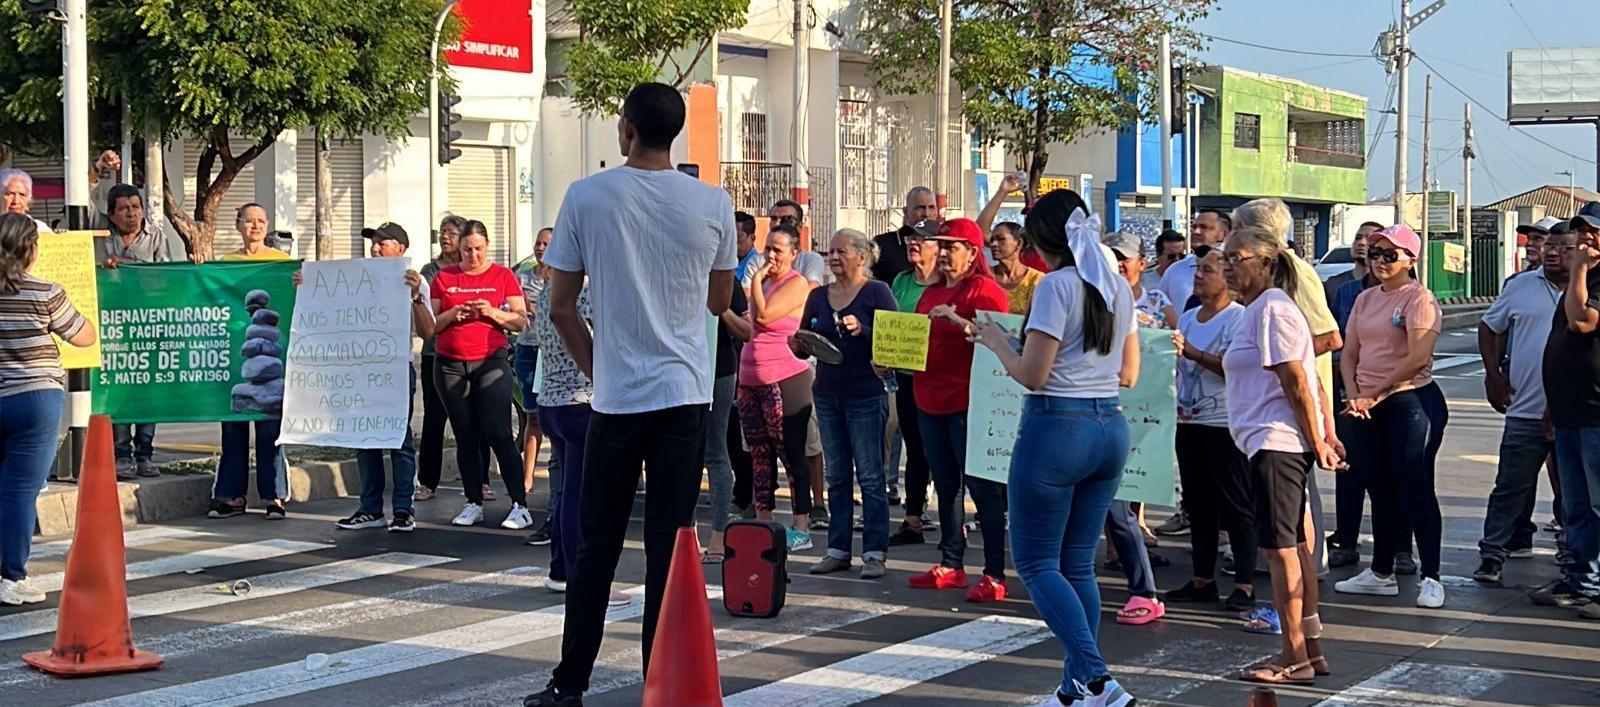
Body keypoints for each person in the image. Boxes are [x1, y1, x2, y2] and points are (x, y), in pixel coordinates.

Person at [525, 82, 737, 707]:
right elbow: (720, 302)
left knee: (597, 547)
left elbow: (560, 307)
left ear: (626, 131)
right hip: (685, 395)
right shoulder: (713, 202)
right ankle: (662, 684)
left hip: (617, 402)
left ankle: (570, 684)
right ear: (674, 135)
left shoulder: (587, 196)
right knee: (671, 552)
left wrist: (600, 368)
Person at [971, 189, 1140, 707]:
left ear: (1039, 241)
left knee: (1038, 562)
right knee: (1076, 565)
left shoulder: (1056, 287)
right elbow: (1129, 373)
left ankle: (1096, 678)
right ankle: (1074, 689)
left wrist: (995, 341)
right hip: (1109, 425)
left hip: (1056, 428)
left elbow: (1033, 374)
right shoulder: (1116, 286)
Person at [1221, 226, 1342, 686]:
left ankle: (1293, 657)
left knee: (1280, 554)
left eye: (1239, 257)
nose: (1230, 266)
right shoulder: (1262, 309)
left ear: (1267, 262)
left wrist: (1318, 441)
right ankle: (1309, 649)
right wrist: (1322, 435)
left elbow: (1295, 380)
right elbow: (1307, 377)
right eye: (1226, 257)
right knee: (1294, 550)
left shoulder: (1271, 307)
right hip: (1271, 443)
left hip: (1277, 444)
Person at [1334, 224, 1448, 609]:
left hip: (1409, 401)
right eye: (1375, 253)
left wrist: (1375, 393)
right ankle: (1380, 572)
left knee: (1415, 487)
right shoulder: (1365, 299)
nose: (1381, 261)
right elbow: (1350, 351)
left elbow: (1418, 357)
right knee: (1377, 486)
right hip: (1365, 405)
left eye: (1390, 255)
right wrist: (1354, 394)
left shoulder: (1420, 300)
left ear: (1411, 260)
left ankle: (1432, 576)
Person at [1233, 199, 1343, 585]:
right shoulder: (1260, 298)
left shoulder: (1291, 279)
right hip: (1274, 413)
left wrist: (1280, 355)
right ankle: (1302, 615)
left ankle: (1303, 601)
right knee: (1286, 527)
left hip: (1288, 416)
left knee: (1294, 525)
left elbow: (1329, 337)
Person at [908, 217, 1012, 603]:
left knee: (982, 488)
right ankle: (951, 563)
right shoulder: (931, 291)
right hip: (928, 398)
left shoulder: (984, 289)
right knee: (945, 485)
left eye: (952, 246)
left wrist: (956, 318)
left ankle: (995, 573)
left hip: (969, 401)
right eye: (942, 245)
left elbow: (996, 338)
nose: (944, 253)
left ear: (972, 252)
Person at [0, 214, 96, 605]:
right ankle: (11, 576)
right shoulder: (45, 292)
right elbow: (84, 335)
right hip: (36, 399)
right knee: (19, 492)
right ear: (32, 251)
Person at [1162, 247, 1259, 612]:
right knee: (1198, 504)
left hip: (1225, 423)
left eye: (1207, 270)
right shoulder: (1188, 316)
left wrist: (1193, 354)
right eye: (1197, 270)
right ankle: (1203, 578)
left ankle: (1245, 583)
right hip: (1190, 421)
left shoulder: (1239, 318)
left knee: (1236, 504)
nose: (1198, 275)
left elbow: (1234, 367)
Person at [1475, 224, 1573, 583]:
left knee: (1574, 493)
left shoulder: (1588, 291)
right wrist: (1493, 375)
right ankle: (1492, 555)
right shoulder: (1520, 286)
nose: (1551, 252)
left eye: (1562, 247)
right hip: (1524, 409)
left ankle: (1573, 557)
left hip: (1574, 415)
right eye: (1548, 245)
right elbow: (1490, 327)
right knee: (1510, 487)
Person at [802, 228, 897, 579]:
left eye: (841, 251)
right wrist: (799, 345)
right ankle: (837, 548)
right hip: (827, 392)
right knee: (838, 475)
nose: (834, 258)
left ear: (862, 256)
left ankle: (874, 552)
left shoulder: (877, 292)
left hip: (866, 394)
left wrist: (866, 329)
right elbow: (805, 335)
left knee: (871, 477)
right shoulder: (818, 297)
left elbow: (895, 340)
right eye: (830, 252)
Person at [334, 223, 435, 533]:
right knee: (364, 438)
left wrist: (416, 295)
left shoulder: (415, 282)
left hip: (394, 369)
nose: (375, 248)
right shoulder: (354, 279)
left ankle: (403, 509)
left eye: (382, 243)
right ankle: (370, 508)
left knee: (398, 439)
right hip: (362, 370)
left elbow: (428, 330)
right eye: (373, 243)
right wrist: (307, 286)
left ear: (400, 249)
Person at [430, 220, 531, 529]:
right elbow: (430, 325)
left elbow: (520, 320)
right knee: (465, 434)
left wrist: (492, 312)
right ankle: (472, 500)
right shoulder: (444, 277)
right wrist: (453, 314)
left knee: (497, 431)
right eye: (466, 250)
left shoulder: (502, 275)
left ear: (487, 247)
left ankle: (519, 504)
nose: (472, 256)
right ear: (458, 249)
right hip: (450, 363)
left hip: (490, 361)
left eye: (478, 250)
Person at [207, 204, 293, 519]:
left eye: (261, 220)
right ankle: (231, 495)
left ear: (267, 224)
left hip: (275, 359)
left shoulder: (281, 263)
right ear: (238, 224)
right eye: (249, 221)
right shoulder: (225, 264)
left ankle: (275, 496)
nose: (255, 226)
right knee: (233, 427)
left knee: (271, 427)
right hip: (235, 356)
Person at [1099, 231, 1168, 626]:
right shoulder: (1083, 302)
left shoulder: (1136, 304)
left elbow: (1130, 374)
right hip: (1079, 419)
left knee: (1118, 506)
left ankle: (1145, 590)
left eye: (1122, 259)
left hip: (1119, 416)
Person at [737, 223, 818, 551]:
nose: (770, 255)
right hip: (751, 377)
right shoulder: (765, 282)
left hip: (784, 377)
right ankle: (764, 518)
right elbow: (749, 322)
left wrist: (755, 279)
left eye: (778, 250)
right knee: (758, 453)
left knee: (790, 451)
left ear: (793, 255)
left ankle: (801, 523)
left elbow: (767, 317)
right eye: (768, 247)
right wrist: (759, 282)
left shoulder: (797, 284)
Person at [1537, 202, 1600, 615]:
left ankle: (1594, 584)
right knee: (1574, 506)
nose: (1586, 239)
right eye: (1581, 231)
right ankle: (1581, 580)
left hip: (1597, 414)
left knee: (1596, 505)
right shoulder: (1582, 279)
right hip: (1570, 413)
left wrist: (1577, 269)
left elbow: (1581, 323)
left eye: (1593, 232)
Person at [1326, 222, 1390, 568]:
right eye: (1361, 239)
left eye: (1377, 243)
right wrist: (1349, 388)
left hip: (1392, 394)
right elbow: (1337, 343)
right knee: (1349, 468)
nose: (1367, 247)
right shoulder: (1343, 290)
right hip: (1350, 391)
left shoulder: (1409, 294)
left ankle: (1398, 549)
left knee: (1395, 473)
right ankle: (1346, 541)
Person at [98, 183, 169, 479]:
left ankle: (145, 454)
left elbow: (166, 275)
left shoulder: (156, 238)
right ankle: (121, 453)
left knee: (147, 392)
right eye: (125, 208)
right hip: (113, 325)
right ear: (112, 215)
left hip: (148, 323)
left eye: (136, 207)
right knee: (120, 390)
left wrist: (125, 265)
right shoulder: (100, 236)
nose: (132, 214)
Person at [767, 200, 829, 528]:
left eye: (787, 219)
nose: (780, 222)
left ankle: (816, 504)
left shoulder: (811, 262)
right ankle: (763, 507)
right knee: (762, 442)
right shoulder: (759, 266)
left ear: (801, 226)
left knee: (806, 437)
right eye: (775, 218)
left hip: (798, 361)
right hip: (764, 360)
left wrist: (769, 310)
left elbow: (807, 296)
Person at [887, 222, 940, 546]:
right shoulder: (902, 281)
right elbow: (892, 327)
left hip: (939, 379)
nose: (914, 244)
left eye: (922, 239)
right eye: (910, 238)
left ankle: (951, 520)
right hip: (907, 378)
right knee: (915, 448)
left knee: (941, 451)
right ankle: (913, 520)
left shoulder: (946, 285)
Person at [704, 260, 753, 561]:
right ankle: (683, 536)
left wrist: (721, 309)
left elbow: (746, 331)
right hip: (676, 371)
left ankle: (719, 537)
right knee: (680, 454)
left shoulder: (726, 281)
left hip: (718, 369)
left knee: (715, 451)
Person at [417, 214, 466, 501]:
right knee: (434, 420)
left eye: (451, 232)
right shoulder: (430, 270)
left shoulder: (468, 270)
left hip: (466, 353)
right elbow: (428, 309)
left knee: (470, 421)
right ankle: (427, 482)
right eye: (442, 233)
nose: (445, 237)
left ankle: (479, 480)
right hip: (434, 353)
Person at [515, 227, 556, 545]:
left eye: (547, 243)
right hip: (529, 350)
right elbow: (515, 310)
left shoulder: (568, 276)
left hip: (555, 354)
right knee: (532, 417)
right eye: (538, 243)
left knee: (554, 422)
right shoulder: (524, 275)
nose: (541, 248)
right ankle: (526, 478)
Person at [1158, 209, 1230, 311]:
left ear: (1224, 234)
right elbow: (1157, 308)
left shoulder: (1234, 270)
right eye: (1194, 227)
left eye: (1204, 227)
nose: (1196, 232)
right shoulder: (1175, 270)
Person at [872, 186, 941, 283]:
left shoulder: (944, 244)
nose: (926, 213)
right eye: (920, 208)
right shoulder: (883, 244)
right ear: (906, 211)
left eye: (931, 207)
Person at [989, 221, 1045, 315]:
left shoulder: (1037, 280)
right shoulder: (984, 276)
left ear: (1019, 243)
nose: (993, 244)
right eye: (992, 240)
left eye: (1001, 239)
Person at [0, 168, 55, 235]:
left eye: (22, 195)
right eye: (10, 194)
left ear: (29, 199)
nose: (16, 201)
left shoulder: (40, 229)